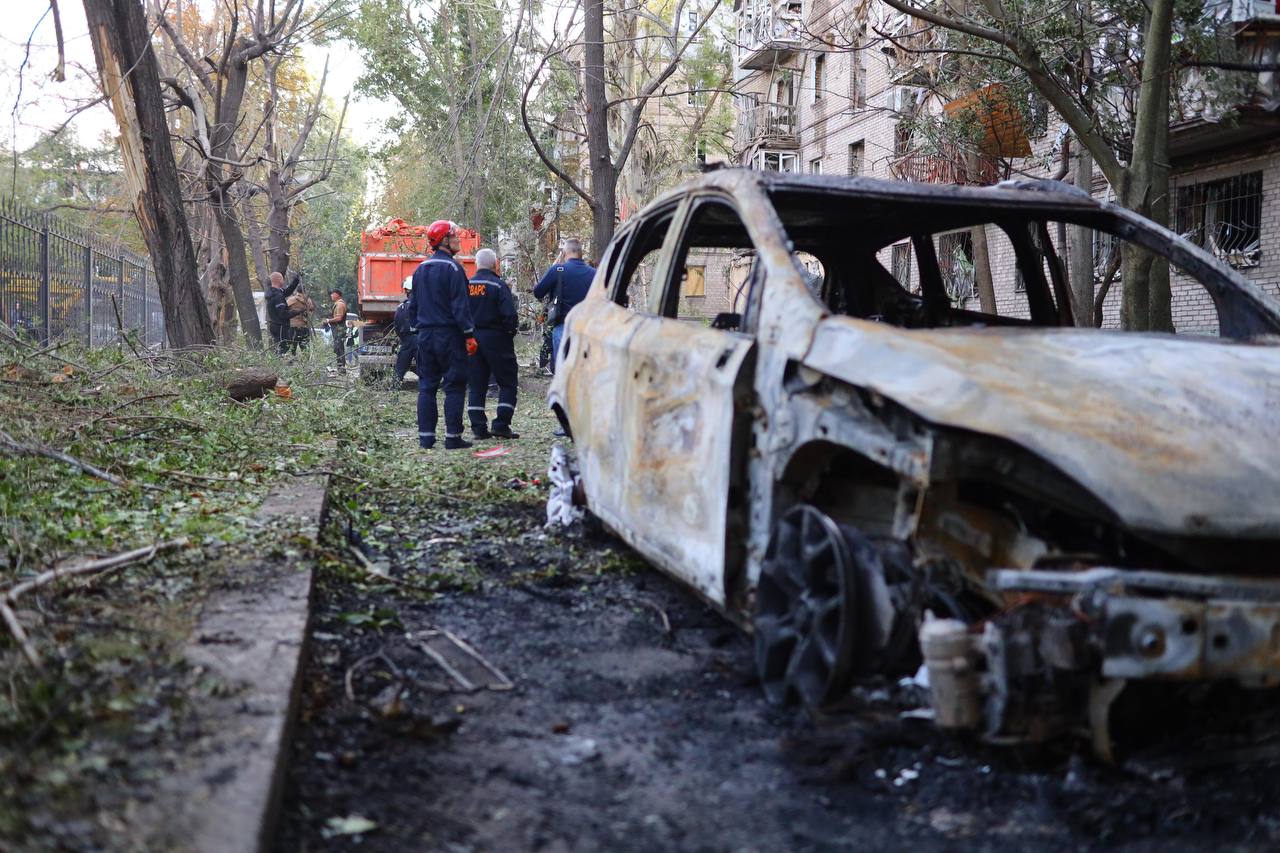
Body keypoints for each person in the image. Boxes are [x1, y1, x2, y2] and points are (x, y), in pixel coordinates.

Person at [412, 220, 478, 450]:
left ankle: (426, 438)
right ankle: (452, 438)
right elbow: (461, 306)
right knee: (454, 386)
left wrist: (416, 331)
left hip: (425, 336)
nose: (458, 240)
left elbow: (413, 305)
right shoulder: (454, 269)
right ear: (444, 241)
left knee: (426, 386)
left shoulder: (420, 270)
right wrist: (469, 334)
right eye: (454, 236)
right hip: (449, 336)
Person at [465, 248, 520, 439]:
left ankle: (478, 428)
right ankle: (501, 424)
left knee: (476, 384)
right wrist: (508, 333)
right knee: (507, 382)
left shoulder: (467, 285)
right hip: (497, 338)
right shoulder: (498, 285)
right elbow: (510, 315)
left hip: (472, 339)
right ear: (496, 264)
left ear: (476, 264)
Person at [532, 237, 595, 374]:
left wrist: (554, 266)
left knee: (562, 374)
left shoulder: (558, 270)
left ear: (564, 253)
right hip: (587, 330)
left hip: (563, 327)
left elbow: (538, 292)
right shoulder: (594, 273)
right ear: (580, 253)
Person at [265, 272, 301, 354]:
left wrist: (296, 280)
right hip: (280, 326)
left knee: (282, 346)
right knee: (282, 347)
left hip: (276, 325)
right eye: (282, 278)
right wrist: (296, 312)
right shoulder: (277, 296)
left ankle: (277, 364)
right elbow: (283, 314)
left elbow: (288, 291)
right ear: (279, 280)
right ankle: (277, 365)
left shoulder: (275, 292)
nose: (283, 280)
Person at [392, 275, 417, 386]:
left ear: (406, 289)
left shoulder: (401, 307)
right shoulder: (425, 305)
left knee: (399, 371)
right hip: (421, 340)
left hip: (407, 341)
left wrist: (404, 339)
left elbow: (397, 326)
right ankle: (426, 394)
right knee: (426, 371)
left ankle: (394, 394)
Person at [286, 283, 315, 353]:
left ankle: (290, 362)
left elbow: (284, 309)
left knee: (291, 349)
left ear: (297, 290)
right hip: (305, 326)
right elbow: (312, 309)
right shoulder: (308, 300)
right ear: (304, 290)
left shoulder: (292, 299)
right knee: (305, 349)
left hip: (293, 326)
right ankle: (306, 363)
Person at [327, 289, 347, 372]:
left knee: (339, 349)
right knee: (338, 349)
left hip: (339, 330)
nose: (331, 295)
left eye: (332, 294)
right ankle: (340, 368)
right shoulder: (337, 304)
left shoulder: (340, 305)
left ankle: (341, 369)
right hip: (337, 330)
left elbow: (339, 318)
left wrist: (329, 320)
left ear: (337, 295)